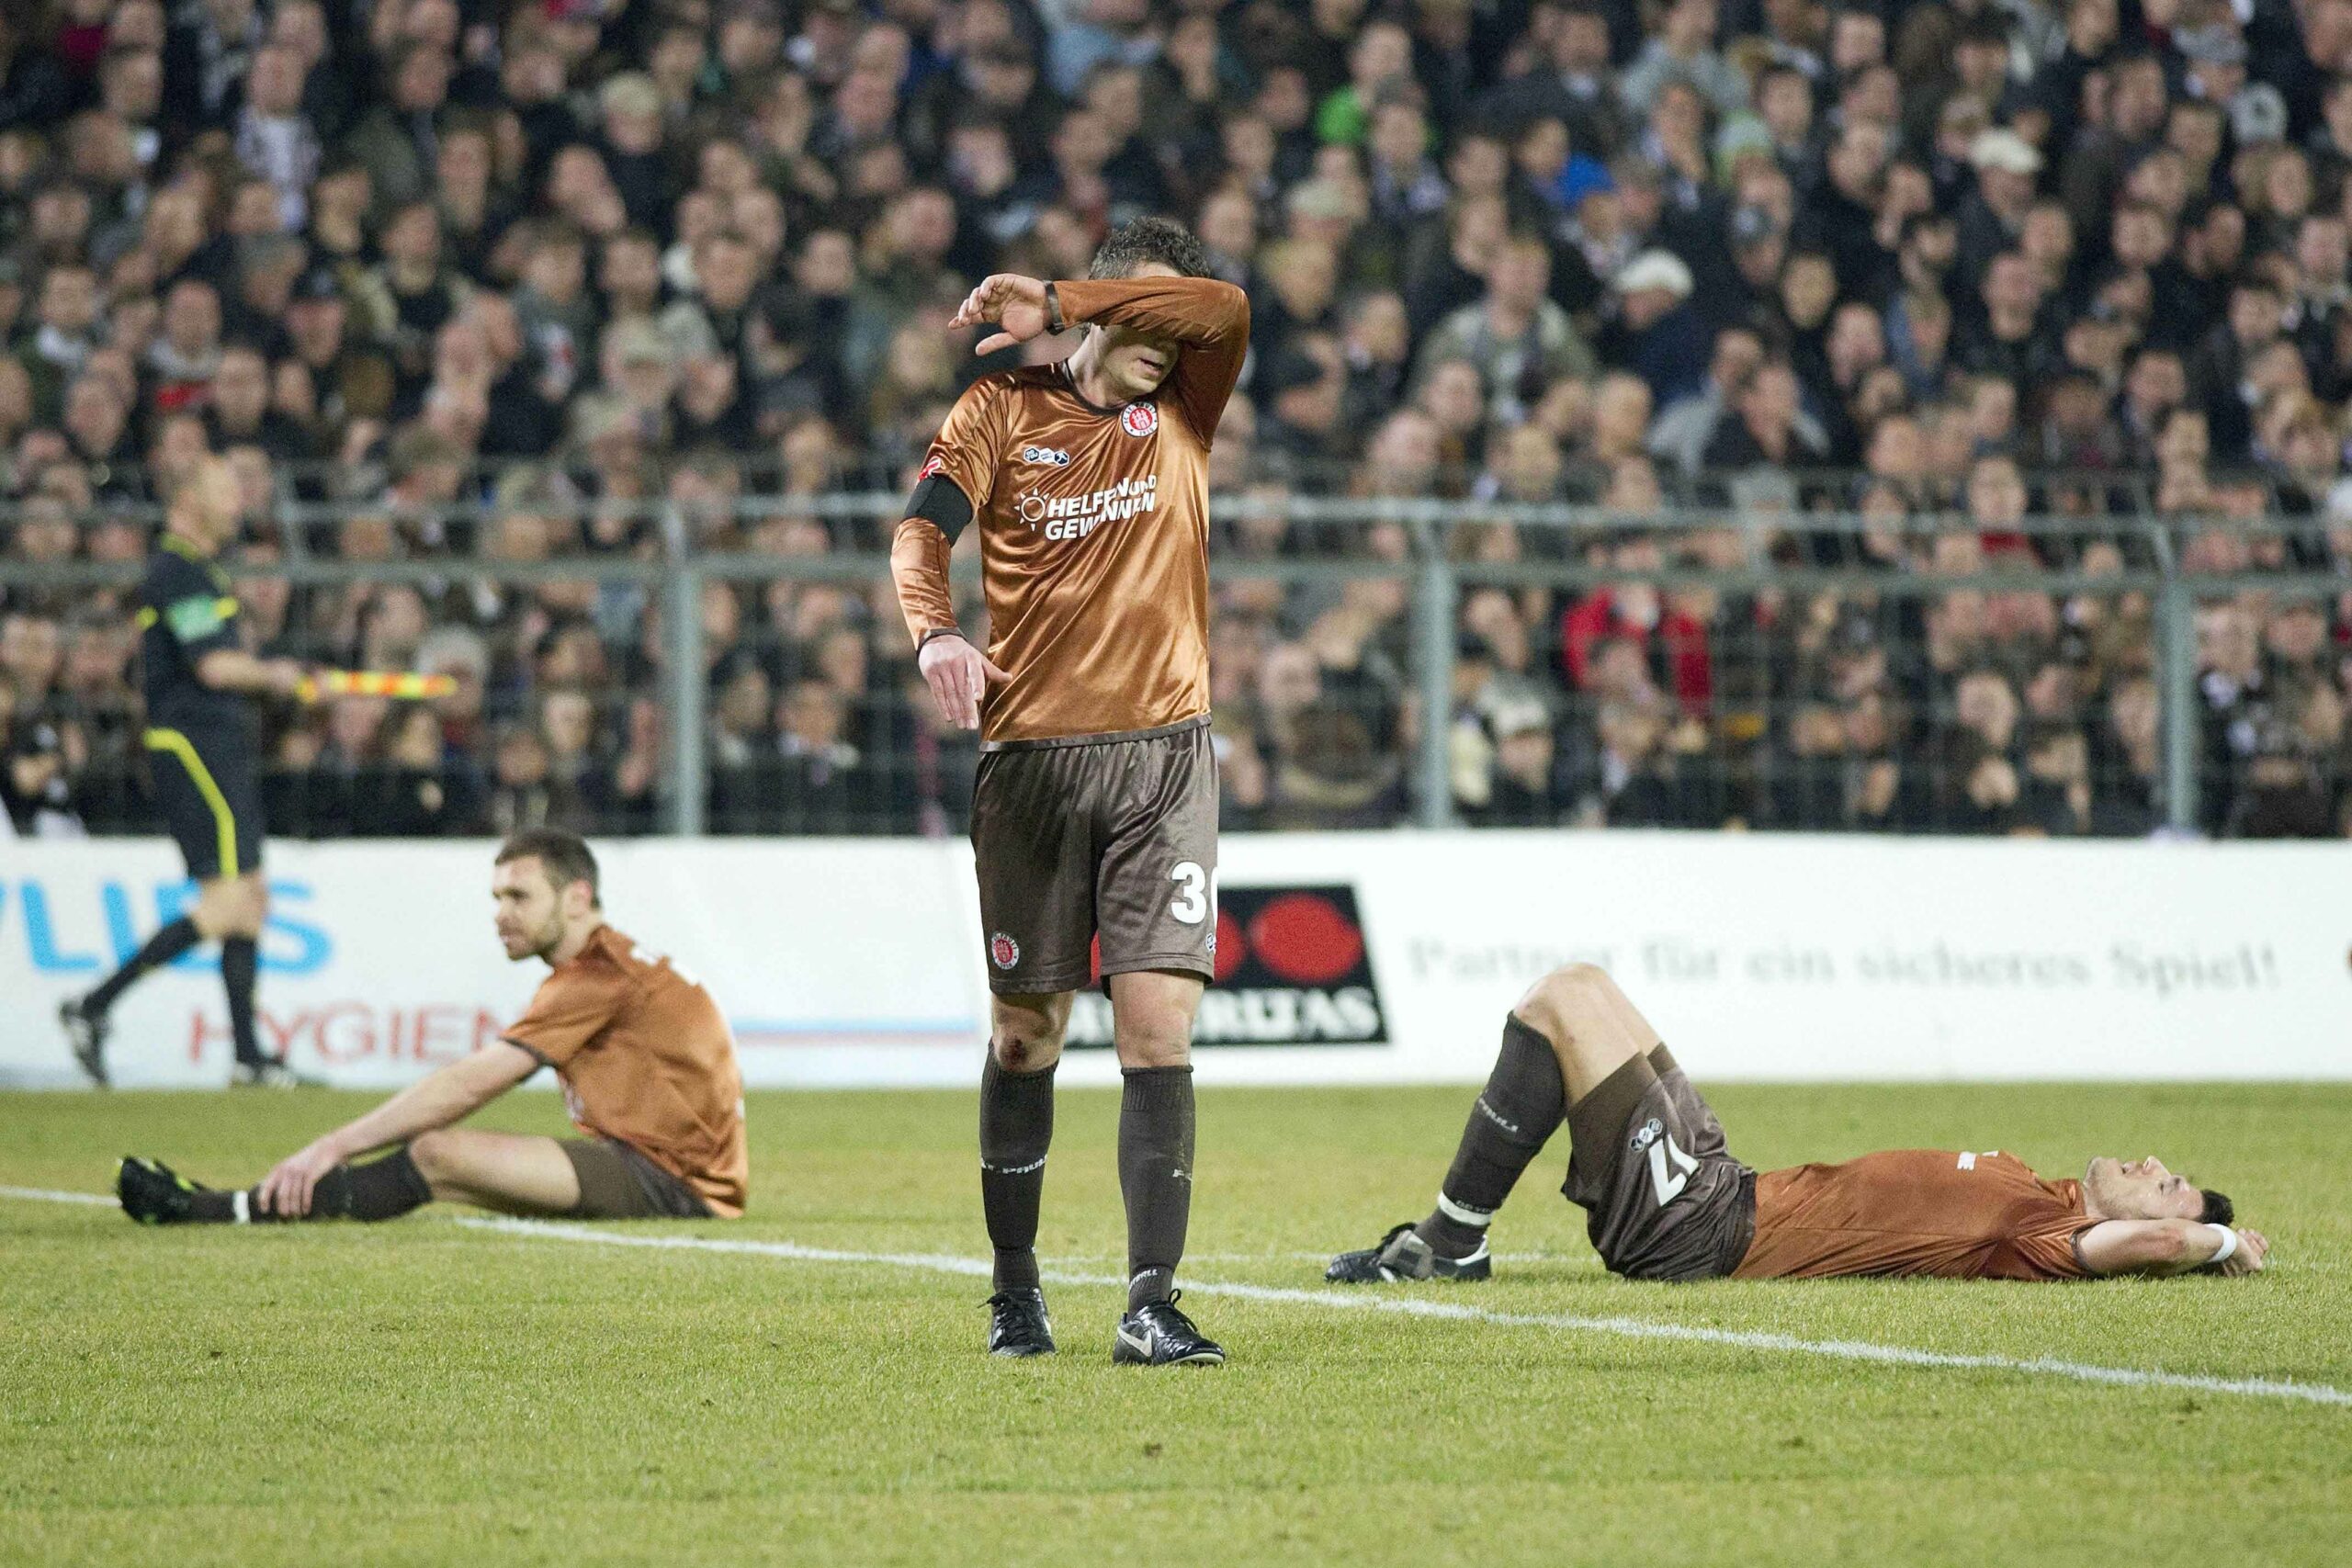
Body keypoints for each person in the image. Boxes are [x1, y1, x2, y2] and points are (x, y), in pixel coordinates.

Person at [888, 217, 1249, 1365]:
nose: (1157, 336)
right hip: (1034, 764)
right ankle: (1014, 1289)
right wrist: (935, 635)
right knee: (1025, 1038)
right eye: (1131, 312)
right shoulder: (1000, 408)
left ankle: (1151, 1301)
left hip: (1165, 756)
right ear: (1097, 307)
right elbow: (918, 533)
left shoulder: (1187, 399)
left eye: (1161, 316)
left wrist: (1067, 296)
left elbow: (1226, 308)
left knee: (1154, 1027)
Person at [1329, 964, 2267, 1284]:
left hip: (1700, 1229)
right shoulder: (2036, 1189)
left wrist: (2216, 1240)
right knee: (1581, 988)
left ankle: (1449, 1246)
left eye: (2163, 1178)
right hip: (1726, 1185)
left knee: (1561, 1001)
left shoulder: (2052, 1233)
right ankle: (1449, 1244)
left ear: (2163, 1222)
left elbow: (2146, 1243)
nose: (2148, 1163)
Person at [117, 830, 749, 1225]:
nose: (501, 914)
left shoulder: (598, 975)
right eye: (496, 897)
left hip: (669, 1180)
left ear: (577, 897)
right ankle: (239, 1205)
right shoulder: (612, 964)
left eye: (519, 897)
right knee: (438, 1167)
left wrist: (333, 1142)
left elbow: (467, 1085)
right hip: (662, 1164)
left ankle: (224, 1207)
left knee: (437, 1150)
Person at [58, 457, 311, 1088]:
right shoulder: (177, 570)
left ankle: (249, 1058)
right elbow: (215, 668)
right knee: (228, 902)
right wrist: (279, 675)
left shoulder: (201, 572)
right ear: (187, 500)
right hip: (195, 745)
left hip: (216, 742)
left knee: (249, 895)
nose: (238, 502)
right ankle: (92, 1006)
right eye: (225, 489)